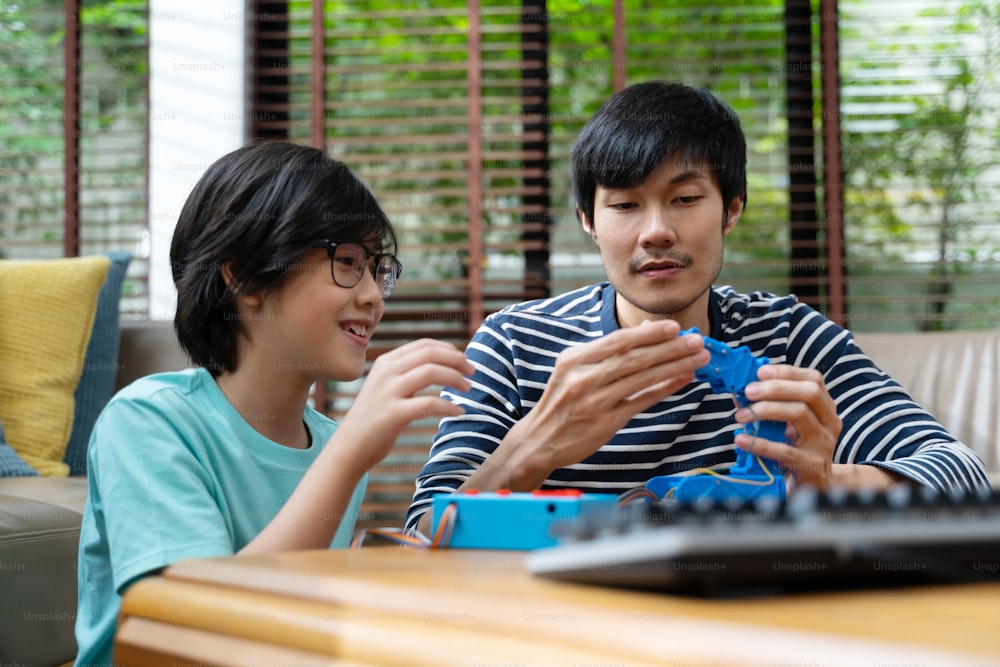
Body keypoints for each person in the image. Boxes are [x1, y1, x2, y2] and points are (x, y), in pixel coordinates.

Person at [405, 80, 990, 536]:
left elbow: (961, 476)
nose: (657, 232)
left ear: (731, 208)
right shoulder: (512, 343)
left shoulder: (790, 338)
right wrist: (537, 444)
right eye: (625, 205)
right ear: (588, 221)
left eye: (685, 199)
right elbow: (424, 533)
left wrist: (823, 481)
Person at [74, 141, 474, 666]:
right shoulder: (149, 421)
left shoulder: (329, 445)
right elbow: (197, 631)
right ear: (242, 276)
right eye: (349, 262)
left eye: (379, 269)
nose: (375, 294)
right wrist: (351, 452)